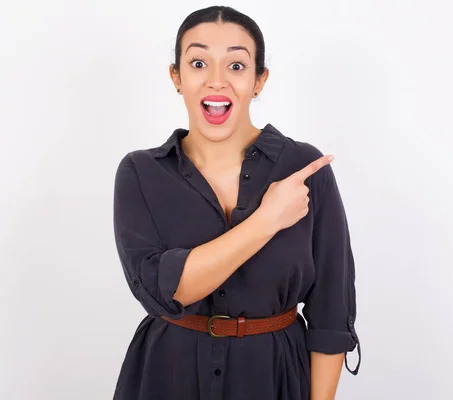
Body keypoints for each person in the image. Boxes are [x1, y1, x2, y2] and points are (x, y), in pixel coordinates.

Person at [112, 5, 361, 400]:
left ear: (259, 80)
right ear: (176, 77)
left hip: (274, 378)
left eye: (236, 66)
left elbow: (331, 312)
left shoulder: (304, 168)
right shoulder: (140, 173)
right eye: (198, 63)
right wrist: (268, 219)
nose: (216, 82)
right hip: (167, 376)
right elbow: (168, 291)